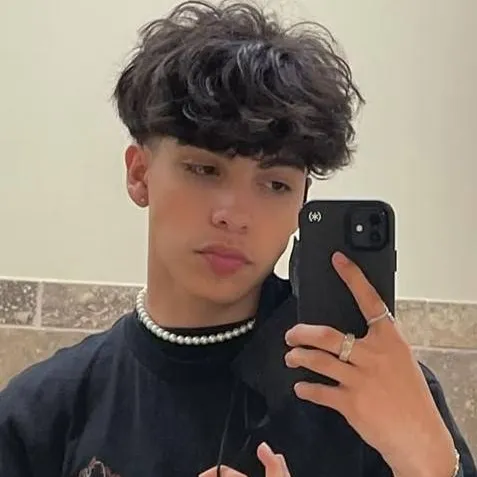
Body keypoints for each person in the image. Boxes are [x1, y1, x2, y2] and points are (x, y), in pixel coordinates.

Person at [0, 1, 475, 476]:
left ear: (302, 202)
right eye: (204, 170)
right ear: (140, 174)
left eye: (276, 184)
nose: (235, 216)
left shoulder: (376, 398)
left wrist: (431, 460)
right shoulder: (42, 415)